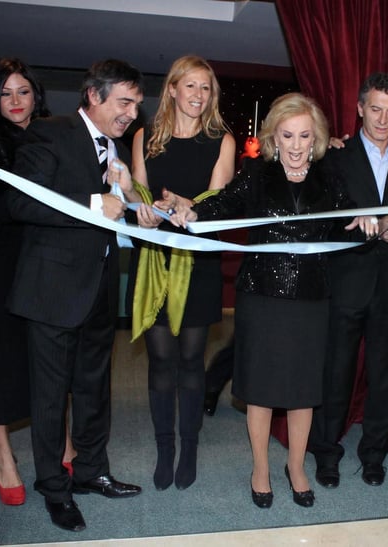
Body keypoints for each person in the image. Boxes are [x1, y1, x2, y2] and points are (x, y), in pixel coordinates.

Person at [148, 92, 367, 509]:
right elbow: (224, 204)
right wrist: (192, 211)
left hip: (311, 299)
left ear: (317, 138)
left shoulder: (330, 176)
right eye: (288, 135)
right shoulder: (257, 173)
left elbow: (349, 223)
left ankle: (297, 467)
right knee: (262, 390)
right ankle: (261, 468)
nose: (297, 145)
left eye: (305, 135)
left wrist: (369, 223)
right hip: (262, 298)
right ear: (274, 137)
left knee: (304, 390)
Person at [7, 59, 144, 532]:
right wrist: (92, 204)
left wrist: (131, 202)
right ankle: (54, 488)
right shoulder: (49, 132)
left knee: (93, 389)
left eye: (136, 104)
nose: (131, 113)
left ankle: (91, 472)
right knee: (50, 398)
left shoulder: (115, 149)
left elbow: (115, 213)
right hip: (52, 291)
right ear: (93, 95)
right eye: (124, 102)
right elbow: (21, 201)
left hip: (100, 287)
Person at [307, 72, 388, 488]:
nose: (382, 119)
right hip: (345, 282)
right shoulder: (334, 156)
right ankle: (326, 451)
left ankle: (374, 454)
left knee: (385, 375)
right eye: (375, 109)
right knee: (335, 372)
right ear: (360, 108)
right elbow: (321, 220)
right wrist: (358, 226)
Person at [129, 55, 235, 491]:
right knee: (160, 360)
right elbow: (138, 195)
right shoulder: (145, 137)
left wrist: (186, 206)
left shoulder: (222, 140)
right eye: (190, 85)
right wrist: (144, 211)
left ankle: (188, 447)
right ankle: (164, 448)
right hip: (155, 259)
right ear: (172, 89)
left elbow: (220, 202)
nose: (198, 95)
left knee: (191, 359)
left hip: (198, 262)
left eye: (206, 88)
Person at [0, 58, 64, 506]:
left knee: (50, 357)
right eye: (4, 93)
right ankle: (3, 453)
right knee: (0, 358)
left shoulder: (55, 135)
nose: (15, 101)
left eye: (23, 91)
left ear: (36, 95)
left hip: (47, 259)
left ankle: (61, 442)